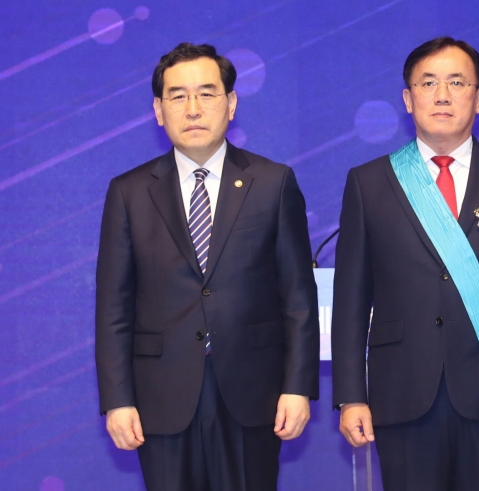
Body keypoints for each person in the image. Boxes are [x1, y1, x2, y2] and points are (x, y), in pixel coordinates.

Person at [331, 37, 479, 491]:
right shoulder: (368, 183)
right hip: (402, 392)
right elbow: (351, 303)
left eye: (457, 82)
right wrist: (349, 397)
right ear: (408, 98)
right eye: (428, 83)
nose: (442, 95)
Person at [95, 42, 319, 491]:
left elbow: (298, 296)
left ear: (231, 104)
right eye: (177, 96)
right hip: (161, 397)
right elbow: (114, 307)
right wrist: (117, 400)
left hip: (253, 393)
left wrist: (298, 387)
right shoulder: (129, 192)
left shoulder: (273, 183)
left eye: (207, 93)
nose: (192, 108)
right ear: (158, 110)